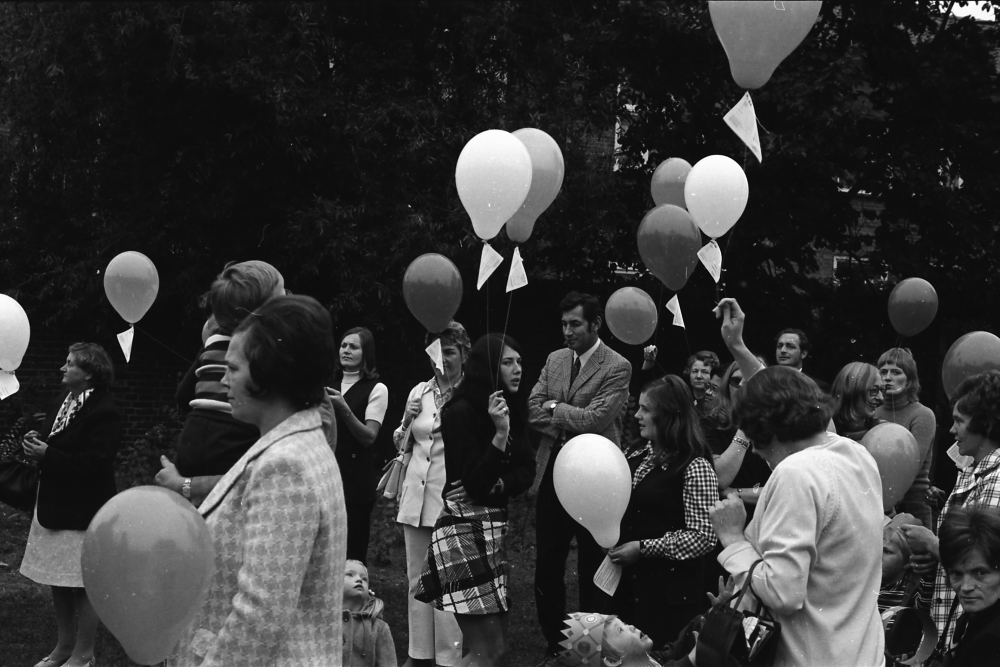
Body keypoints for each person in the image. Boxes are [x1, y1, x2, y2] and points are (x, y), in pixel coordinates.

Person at [168, 295, 347, 666]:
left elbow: (261, 612)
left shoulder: (285, 466)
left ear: (267, 373)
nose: (222, 379)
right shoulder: (297, 443)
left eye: (232, 368)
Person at [709, 305, 885, 667]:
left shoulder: (796, 473)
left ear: (769, 430)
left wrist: (732, 539)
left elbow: (783, 592)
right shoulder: (855, 455)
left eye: (757, 442)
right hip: (863, 654)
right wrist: (737, 346)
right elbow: (781, 393)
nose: (757, 452)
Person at [416, 334, 536, 666]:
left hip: (493, 533)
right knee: (490, 652)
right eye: (508, 362)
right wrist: (499, 435)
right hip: (463, 535)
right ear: (487, 367)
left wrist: (497, 484)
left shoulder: (511, 407)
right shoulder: (460, 411)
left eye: (520, 362)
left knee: (492, 653)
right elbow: (473, 481)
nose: (517, 369)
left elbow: (526, 471)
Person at [528, 291, 632, 660]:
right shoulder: (556, 359)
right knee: (548, 565)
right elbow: (531, 409)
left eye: (575, 324)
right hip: (555, 475)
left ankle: (592, 645)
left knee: (594, 565)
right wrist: (568, 413)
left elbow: (596, 421)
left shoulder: (617, 366)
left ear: (595, 325)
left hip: (597, 479)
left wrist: (554, 408)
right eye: (563, 324)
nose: (567, 331)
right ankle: (556, 642)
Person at [20, 343, 122, 667]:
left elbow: (95, 461)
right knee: (58, 579)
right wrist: (40, 443)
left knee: (81, 584)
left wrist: (48, 455)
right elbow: (63, 443)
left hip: (83, 510)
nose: (62, 369)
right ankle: (63, 648)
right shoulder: (66, 402)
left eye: (69, 364)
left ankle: (84, 654)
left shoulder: (106, 410)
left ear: (89, 372)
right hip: (56, 505)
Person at [156, 260, 288, 505]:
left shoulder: (212, 343)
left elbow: (183, 394)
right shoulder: (268, 349)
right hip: (234, 443)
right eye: (283, 295)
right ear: (263, 311)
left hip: (192, 441)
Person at [607, 375, 718, 647]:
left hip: (669, 599)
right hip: (631, 589)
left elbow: (704, 536)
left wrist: (643, 548)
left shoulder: (695, 466)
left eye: (646, 409)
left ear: (668, 415)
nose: (637, 414)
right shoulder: (635, 455)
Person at [901, 370, 1000, 646]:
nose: (952, 430)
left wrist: (931, 543)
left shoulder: (997, 479)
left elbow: (982, 559)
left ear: (985, 426)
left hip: (973, 630)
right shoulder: (972, 471)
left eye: (959, 421)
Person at [394, 321, 469, 667]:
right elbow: (401, 443)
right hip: (416, 496)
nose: (442, 359)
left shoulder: (471, 392)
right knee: (415, 579)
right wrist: (406, 422)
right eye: (436, 352)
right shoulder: (419, 392)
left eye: (449, 351)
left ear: (464, 353)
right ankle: (419, 653)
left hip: (450, 498)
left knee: (449, 582)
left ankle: (449, 658)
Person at [331, 326, 389, 564]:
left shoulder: (377, 389)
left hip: (356, 481)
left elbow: (369, 436)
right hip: (328, 475)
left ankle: (353, 599)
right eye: (343, 345)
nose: (346, 350)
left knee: (352, 552)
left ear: (366, 354)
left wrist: (344, 409)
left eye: (353, 347)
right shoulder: (327, 383)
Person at [876, 348, 936, 528]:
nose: (888, 377)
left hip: (913, 502)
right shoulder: (872, 412)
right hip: (876, 499)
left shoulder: (922, 414)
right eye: (883, 372)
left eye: (896, 372)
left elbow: (912, 466)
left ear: (909, 380)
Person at [935, 505, 1000, 666]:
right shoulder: (972, 618)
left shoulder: (991, 639)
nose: (966, 587)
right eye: (957, 573)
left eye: (980, 573)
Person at [343, 559, 397, 667]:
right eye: (350, 574)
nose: (359, 580)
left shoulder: (379, 628)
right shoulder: (325, 621)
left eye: (364, 579)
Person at [831, 361, 884, 441]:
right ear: (851, 390)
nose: (881, 398)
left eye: (881, 390)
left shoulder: (882, 431)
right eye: (874, 390)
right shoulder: (823, 430)